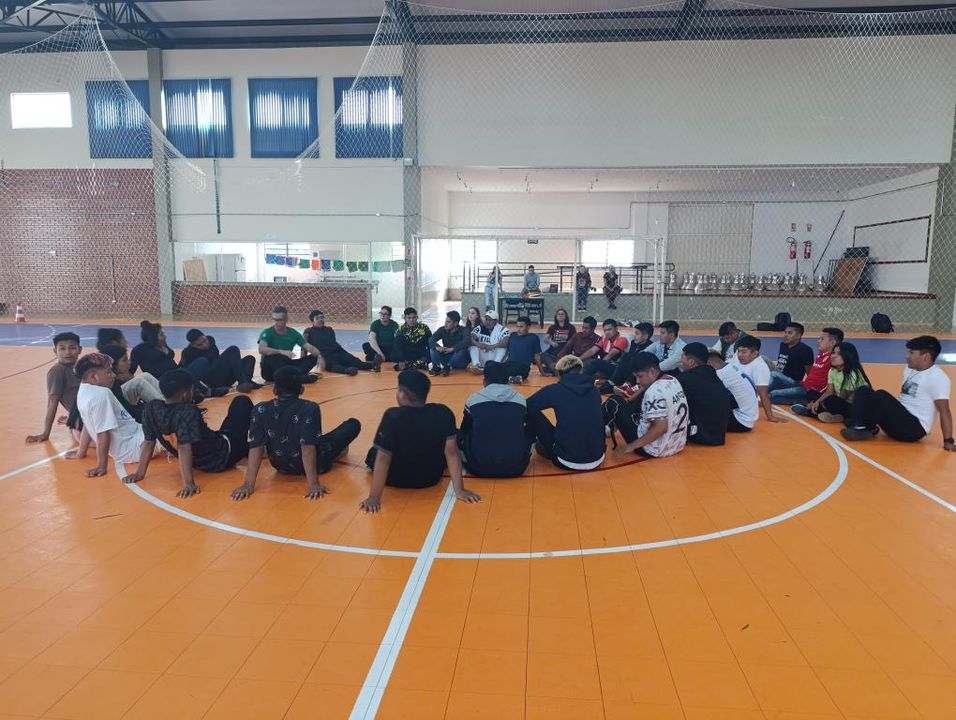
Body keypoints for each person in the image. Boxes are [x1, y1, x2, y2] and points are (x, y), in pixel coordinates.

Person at [230, 366, 362, 501]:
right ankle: (336, 453)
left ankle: (337, 451)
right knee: (352, 424)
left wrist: (248, 484)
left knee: (322, 440)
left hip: (280, 466)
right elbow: (307, 447)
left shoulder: (260, 409)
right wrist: (313, 484)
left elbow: (256, 446)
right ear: (301, 389)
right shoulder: (309, 408)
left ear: (275, 390)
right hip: (317, 464)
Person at [361, 369, 481, 512]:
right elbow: (452, 453)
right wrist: (460, 490)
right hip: (430, 478)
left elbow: (383, 459)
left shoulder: (392, 416)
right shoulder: (443, 412)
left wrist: (374, 497)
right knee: (448, 441)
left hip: (394, 479)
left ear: (402, 395)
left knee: (375, 452)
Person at [122, 370, 254, 498]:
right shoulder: (188, 411)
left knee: (227, 427)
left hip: (198, 461)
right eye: (192, 390)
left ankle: (246, 447)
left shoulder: (150, 408)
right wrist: (188, 483)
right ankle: (254, 446)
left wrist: (139, 473)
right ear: (185, 395)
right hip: (224, 456)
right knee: (241, 402)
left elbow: (148, 442)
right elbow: (184, 447)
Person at [842, 335, 954, 450]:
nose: (907, 356)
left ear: (926, 357)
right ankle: (863, 426)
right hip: (900, 420)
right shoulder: (909, 369)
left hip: (913, 429)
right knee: (863, 389)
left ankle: (862, 427)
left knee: (881, 395)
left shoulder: (938, 378)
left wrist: (948, 441)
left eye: (911, 353)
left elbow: (944, 411)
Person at [66, 353, 147, 476]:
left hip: (135, 436)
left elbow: (88, 423)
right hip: (134, 446)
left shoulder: (83, 390)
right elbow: (102, 432)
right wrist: (101, 466)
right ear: (94, 376)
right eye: (108, 372)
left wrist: (81, 452)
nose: (113, 375)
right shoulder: (101, 395)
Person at [527, 355, 606, 470]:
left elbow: (526, 405)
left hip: (566, 460)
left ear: (559, 374)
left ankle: (524, 445)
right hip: (597, 456)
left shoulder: (555, 390)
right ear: (581, 370)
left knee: (532, 413)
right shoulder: (594, 390)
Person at [606, 351, 688, 458]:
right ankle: (610, 426)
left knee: (614, 401)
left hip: (653, 449)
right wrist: (629, 401)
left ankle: (602, 430)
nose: (637, 381)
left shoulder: (654, 392)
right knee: (632, 405)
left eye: (640, 376)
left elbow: (661, 428)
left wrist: (630, 446)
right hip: (677, 444)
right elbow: (645, 387)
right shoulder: (672, 380)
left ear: (652, 371)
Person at [458, 361, 533, 477]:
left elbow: (465, 429)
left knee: (458, 433)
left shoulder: (473, 400)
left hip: (477, 467)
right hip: (516, 467)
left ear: (484, 381)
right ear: (507, 381)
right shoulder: (520, 400)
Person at [792, 342, 870, 423]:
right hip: (838, 402)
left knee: (831, 400)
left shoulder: (852, 374)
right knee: (811, 393)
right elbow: (829, 392)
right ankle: (828, 414)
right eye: (833, 353)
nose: (833, 356)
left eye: (839, 354)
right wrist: (817, 401)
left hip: (854, 407)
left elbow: (842, 398)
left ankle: (811, 411)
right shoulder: (832, 370)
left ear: (848, 356)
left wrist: (821, 404)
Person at [26, 332, 82, 444]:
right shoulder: (57, 371)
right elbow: (52, 402)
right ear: (55, 351)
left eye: (72, 348)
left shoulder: (82, 367)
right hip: (84, 423)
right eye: (62, 349)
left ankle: (71, 418)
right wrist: (46, 433)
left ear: (79, 349)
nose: (67, 352)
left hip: (86, 415)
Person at [770, 327, 843, 404]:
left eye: (822, 339)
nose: (818, 341)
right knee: (774, 374)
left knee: (774, 393)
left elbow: (832, 383)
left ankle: (801, 401)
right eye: (819, 338)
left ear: (832, 342)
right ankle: (799, 401)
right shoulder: (821, 354)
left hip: (810, 391)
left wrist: (818, 396)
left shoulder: (833, 359)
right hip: (802, 385)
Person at [677, 342, 730, 446]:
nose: (680, 361)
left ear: (691, 362)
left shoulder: (686, 379)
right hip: (718, 433)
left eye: (682, 357)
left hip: (702, 435)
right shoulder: (711, 374)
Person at [181, 329, 262, 392]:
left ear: (204, 336)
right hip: (211, 380)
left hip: (223, 377)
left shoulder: (211, 340)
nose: (205, 345)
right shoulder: (187, 352)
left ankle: (247, 381)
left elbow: (218, 360)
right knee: (233, 349)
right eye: (200, 345)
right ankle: (243, 382)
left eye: (204, 340)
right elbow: (185, 372)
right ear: (192, 345)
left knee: (249, 359)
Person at [304, 310, 379, 376]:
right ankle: (347, 370)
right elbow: (304, 347)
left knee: (354, 361)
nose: (320, 319)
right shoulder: (308, 332)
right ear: (312, 321)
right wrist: (303, 363)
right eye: (317, 318)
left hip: (338, 352)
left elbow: (333, 343)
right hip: (325, 356)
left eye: (322, 317)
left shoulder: (329, 329)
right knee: (331, 364)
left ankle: (374, 365)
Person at [258, 306, 320, 383]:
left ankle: (293, 376)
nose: (276, 323)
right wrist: (281, 351)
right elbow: (262, 349)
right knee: (271, 357)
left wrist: (320, 356)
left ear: (286, 319)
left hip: (286, 364)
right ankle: (298, 378)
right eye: (274, 319)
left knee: (313, 357)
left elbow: (308, 347)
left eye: (279, 320)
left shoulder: (293, 333)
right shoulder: (267, 332)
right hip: (270, 370)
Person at [100, 343, 161, 421]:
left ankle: (168, 401)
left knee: (145, 375)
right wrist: (146, 412)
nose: (129, 362)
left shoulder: (114, 376)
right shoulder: (109, 381)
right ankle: (166, 410)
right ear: (113, 364)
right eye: (124, 360)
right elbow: (126, 409)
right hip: (120, 408)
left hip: (122, 402)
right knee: (138, 383)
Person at [731, 335, 783, 424]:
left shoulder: (760, 367)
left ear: (755, 354)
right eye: (738, 351)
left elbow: (763, 393)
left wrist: (770, 416)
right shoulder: (737, 357)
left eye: (744, 352)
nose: (739, 355)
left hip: (741, 400)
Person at [707, 351, 759, 433]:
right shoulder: (732, 366)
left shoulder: (720, 374)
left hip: (740, 421)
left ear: (709, 363)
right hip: (749, 418)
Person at [600, 321, 656, 393]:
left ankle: (616, 383)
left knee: (627, 357)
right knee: (596, 363)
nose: (634, 336)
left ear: (645, 336)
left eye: (637, 334)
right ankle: (613, 383)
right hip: (625, 370)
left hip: (636, 373)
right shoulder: (633, 343)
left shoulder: (650, 347)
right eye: (635, 333)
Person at [584, 318, 630, 383]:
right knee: (588, 363)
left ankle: (583, 381)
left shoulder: (622, 339)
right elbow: (592, 350)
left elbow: (610, 355)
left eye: (610, 329)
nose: (607, 332)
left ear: (616, 329)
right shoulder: (604, 338)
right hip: (608, 365)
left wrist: (599, 367)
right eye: (605, 330)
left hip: (619, 369)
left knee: (593, 363)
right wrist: (578, 359)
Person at [768, 322, 814, 387]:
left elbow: (810, 372)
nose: (785, 335)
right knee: (763, 358)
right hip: (778, 375)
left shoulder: (805, 350)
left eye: (789, 333)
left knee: (773, 374)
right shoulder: (783, 345)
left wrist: (807, 388)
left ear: (798, 336)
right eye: (785, 332)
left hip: (792, 382)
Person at [502, 316, 545, 382]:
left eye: (521, 327)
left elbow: (537, 356)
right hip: (509, 365)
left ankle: (510, 377)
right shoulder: (512, 335)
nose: (518, 329)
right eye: (517, 326)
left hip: (522, 367)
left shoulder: (533, 338)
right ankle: (512, 378)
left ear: (528, 327)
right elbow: (507, 352)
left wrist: (542, 372)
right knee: (490, 364)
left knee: (519, 371)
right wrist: (502, 364)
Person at [429, 310, 471, 376]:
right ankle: (436, 367)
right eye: (445, 321)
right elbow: (431, 339)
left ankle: (448, 367)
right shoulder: (442, 329)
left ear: (455, 323)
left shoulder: (464, 330)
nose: (445, 324)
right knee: (433, 349)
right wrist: (438, 348)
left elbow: (467, 341)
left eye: (448, 322)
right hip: (446, 356)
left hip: (459, 360)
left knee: (462, 351)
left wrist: (452, 349)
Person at [393, 307, 432, 371]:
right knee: (394, 352)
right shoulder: (400, 329)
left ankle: (413, 365)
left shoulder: (424, 327)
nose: (411, 320)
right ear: (405, 318)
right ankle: (408, 364)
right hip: (407, 355)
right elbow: (397, 346)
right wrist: (401, 359)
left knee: (432, 351)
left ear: (417, 317)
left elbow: (430, 341)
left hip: (420, 354)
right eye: (409, 318)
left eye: (413, 317)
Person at [540, 308, 576, 375]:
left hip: (565, 351)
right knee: (542, 355)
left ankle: (553, 369)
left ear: (565, 316)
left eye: (562, 314)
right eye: (558, 314)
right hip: (553, 351)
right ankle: (557, 369)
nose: (560, 315)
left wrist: (568, 346)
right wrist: (551, 342)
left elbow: (574, 340)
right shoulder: (552, 327)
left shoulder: (571, 327)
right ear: (556, 316)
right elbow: (545, 339)